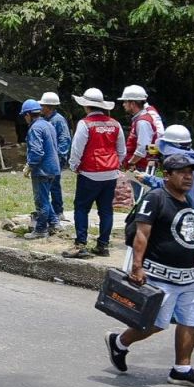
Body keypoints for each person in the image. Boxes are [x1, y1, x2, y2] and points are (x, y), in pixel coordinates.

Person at [105, 154, 194, 387]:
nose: (188, 177)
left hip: (188, 276)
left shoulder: (186, 201)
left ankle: (181, 370)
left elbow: (192, 234)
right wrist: (137, 266)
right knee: (155, 323)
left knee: (190, 319)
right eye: (182, 172)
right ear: (167, 175)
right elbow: (142, 234)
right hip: (160, 275)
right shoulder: (155, 198)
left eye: (191, 172)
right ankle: (119, 342)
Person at [133, 124, 194, 306]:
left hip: (192, 219)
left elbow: (170, 186)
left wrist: (147, 178)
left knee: (186, 264)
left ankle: (179, 307)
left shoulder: (177, 162)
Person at [63, 88, 126, 259]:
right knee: (106, 210)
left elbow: (77, 149)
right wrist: (115, 165)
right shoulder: (115, 124)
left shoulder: (85, 124)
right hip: (110, 174)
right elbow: (122, 151)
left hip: (90, 173)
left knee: (81, 208)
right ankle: (103, 245)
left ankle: (80, 244)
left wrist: (74, 166)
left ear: (86, 106)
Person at [21, 99, 61, 240]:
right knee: (45, 197)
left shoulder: (35, 128)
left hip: (42, 169)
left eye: (24, 116)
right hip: (53, 168)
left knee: (41, 201)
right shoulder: (48, 124)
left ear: (28, 114)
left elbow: (37, 152)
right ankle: (55, 223)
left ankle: (41, 229)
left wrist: (29, 166)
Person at [119, 85, 163, 201]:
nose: (123, 104)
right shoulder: (141, 119)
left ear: (132, 103)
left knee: (143, 200)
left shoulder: (143, 122)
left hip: (142, 166)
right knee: (140, 198)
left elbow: (142, 148)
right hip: (140, 165)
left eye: (125, 102)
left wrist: (130, 162)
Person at [40, 91, 71, 224]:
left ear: (48, 106)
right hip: (48, 159)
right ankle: (50, 211)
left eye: (42, 105)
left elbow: (65, 139)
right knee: (48, 185)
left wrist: (58, 157)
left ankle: (58, 211)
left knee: (54, 186)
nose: (40, 107)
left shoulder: (58, 120)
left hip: (55, 159)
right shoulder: (47, 119)